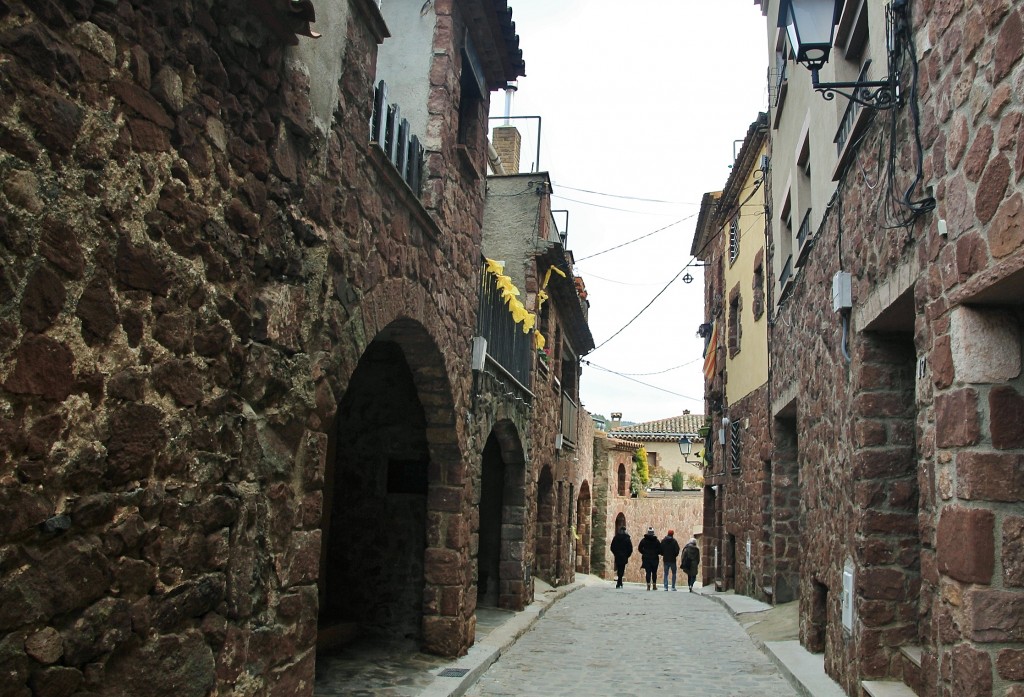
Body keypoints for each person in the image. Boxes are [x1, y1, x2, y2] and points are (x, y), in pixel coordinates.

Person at [637, 526, 662, 591]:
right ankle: (654, 585)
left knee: (648, 572)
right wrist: (656, 553)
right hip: (654, 558)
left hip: (646, 558)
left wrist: (644, 552)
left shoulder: (644, 540)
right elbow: (660, 549)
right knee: (654, 572)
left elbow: (639, 548)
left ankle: (648, 585)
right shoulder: (656, 541)